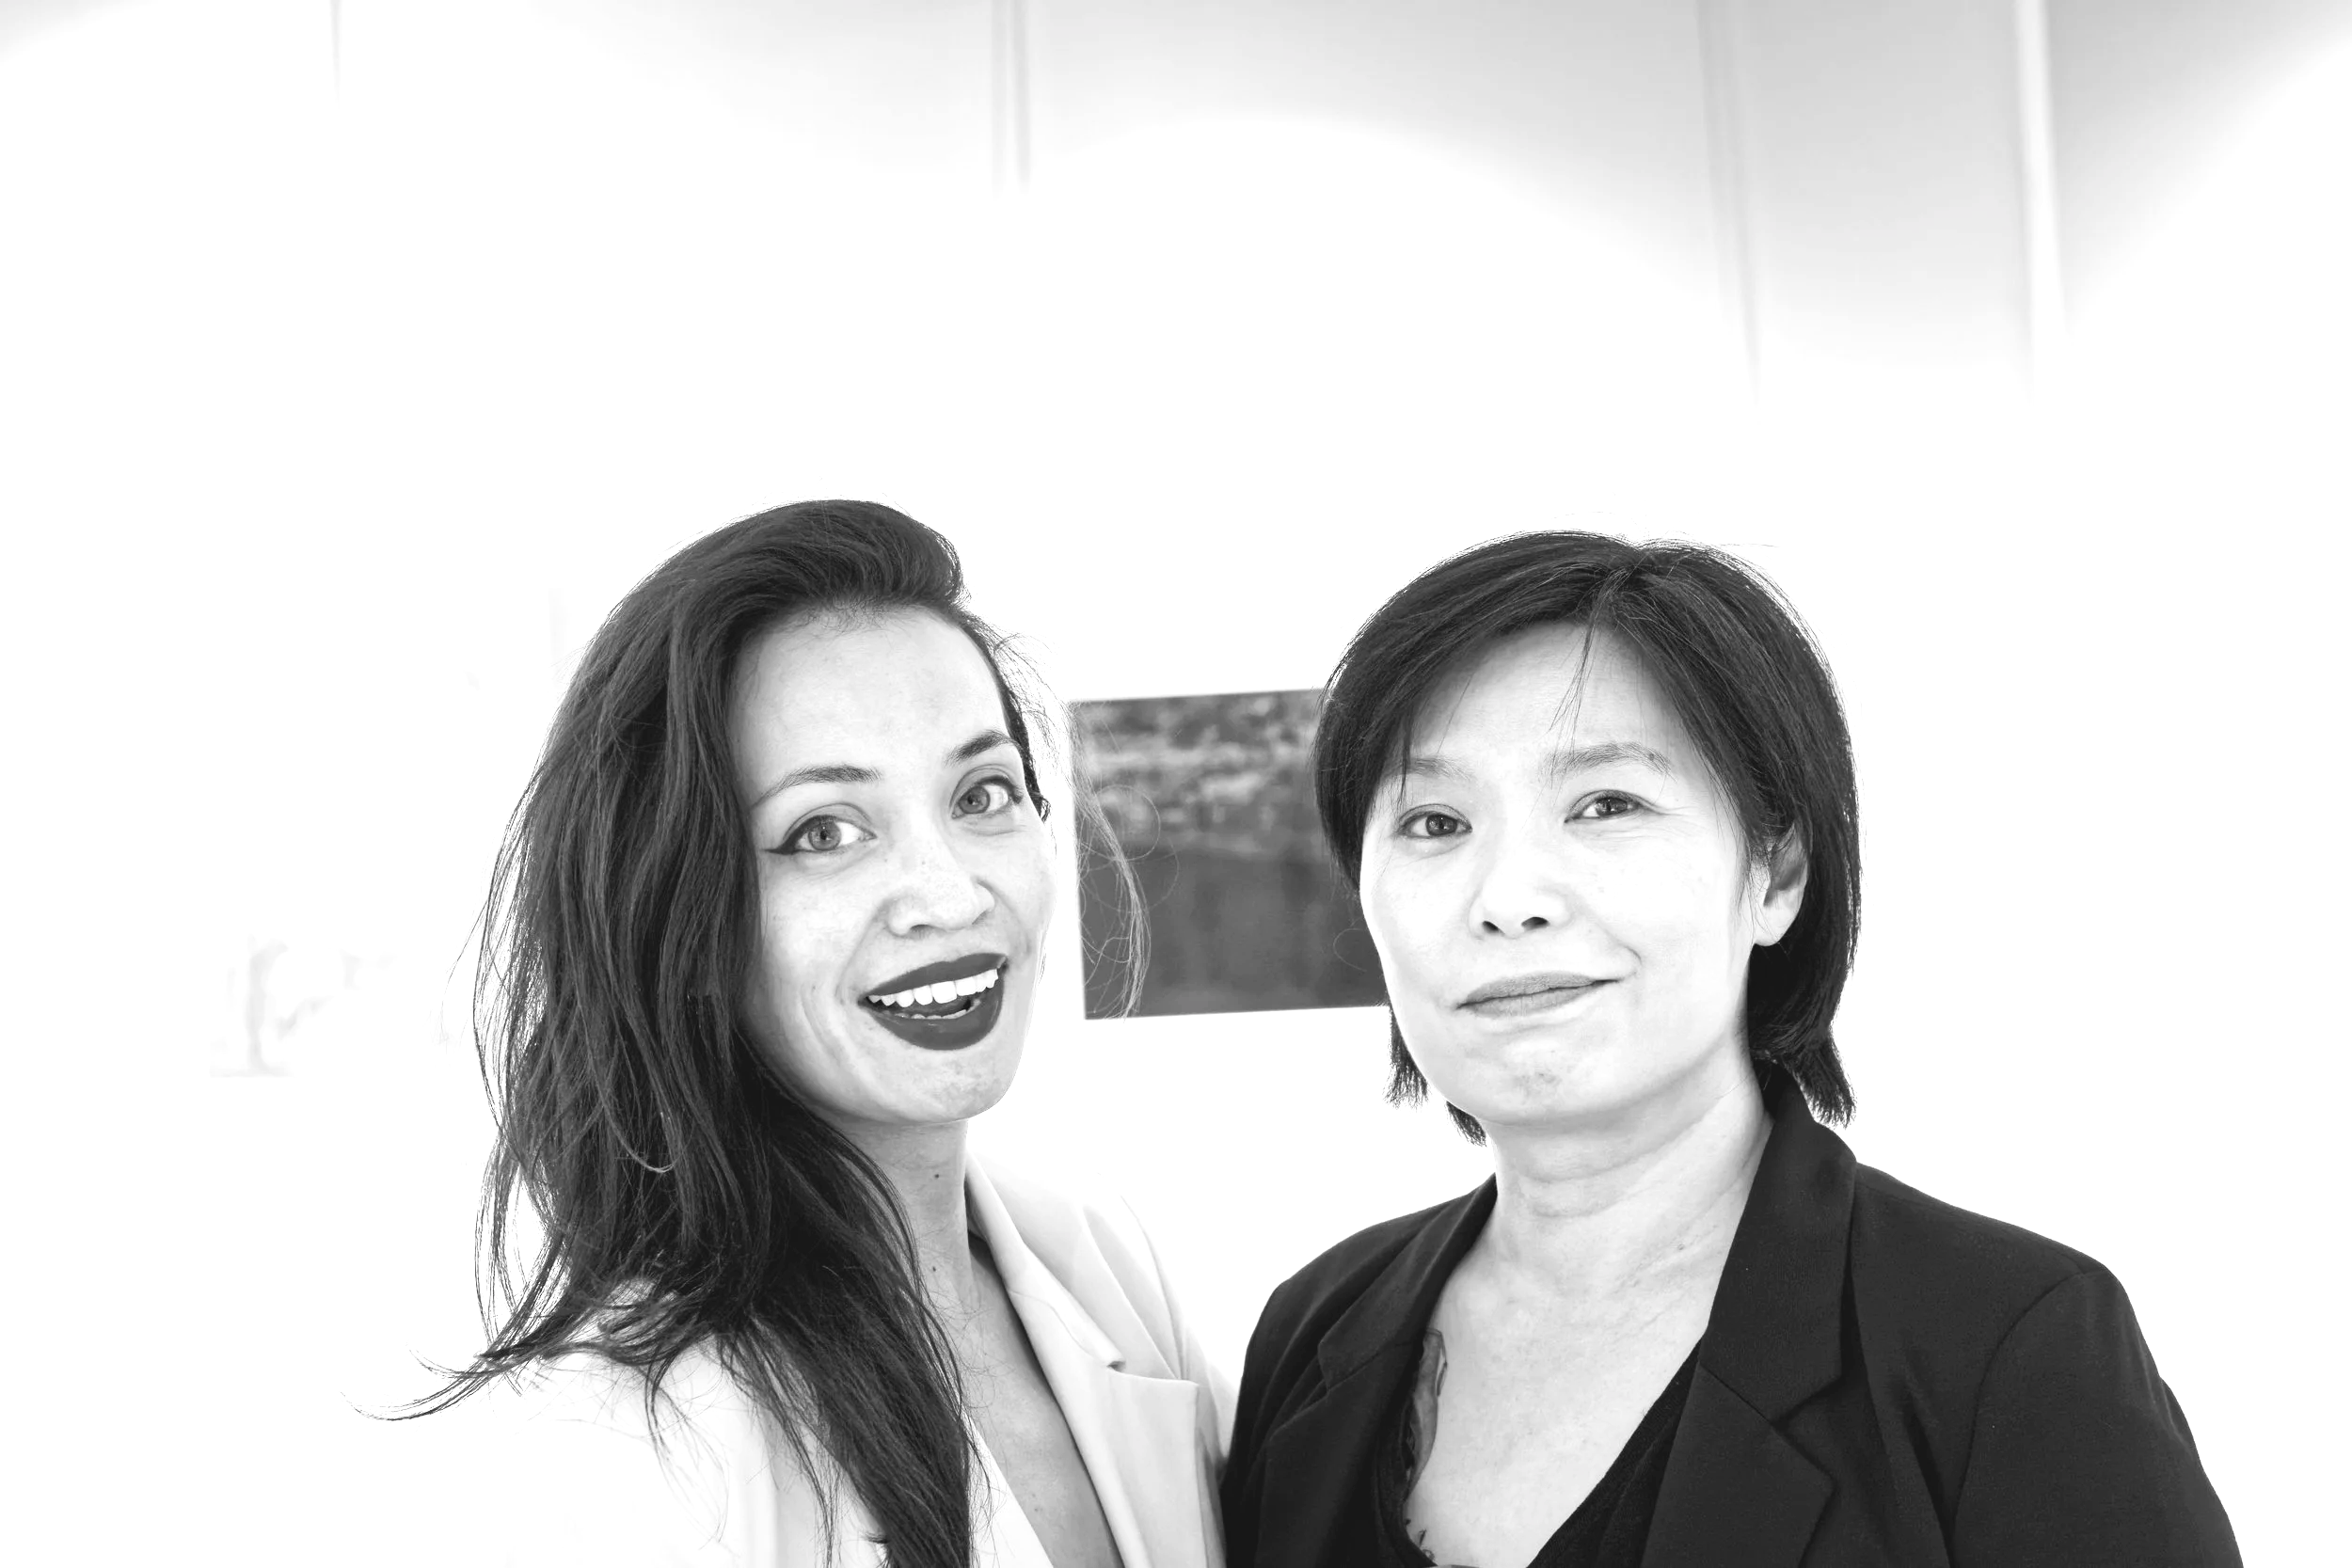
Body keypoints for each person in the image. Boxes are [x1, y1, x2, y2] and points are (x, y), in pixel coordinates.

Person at [1220, 532, 2237, 1567]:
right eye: (1433, 822)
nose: (1509, 897)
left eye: (1605, 804)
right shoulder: (1313, 1329)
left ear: (1776, 874)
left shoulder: (2012, 1346)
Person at [421, 501, 1226, 1568]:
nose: (946, 893)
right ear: (679, 916)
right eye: (822, 831)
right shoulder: (621, 1433)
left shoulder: (1101, 1260)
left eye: (982, 792)